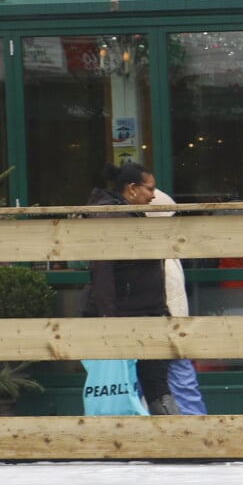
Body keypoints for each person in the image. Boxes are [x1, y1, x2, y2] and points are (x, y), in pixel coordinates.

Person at [82, 163, 180, 415]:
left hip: (139, 312)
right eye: (150, 188)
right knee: (148, 382)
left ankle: (164, 438)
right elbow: (102, 270)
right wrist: (108, 320)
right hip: (130, 314)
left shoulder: (125, 214)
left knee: (148, 381)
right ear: (132, 189)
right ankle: (171, 439)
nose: (154, 195)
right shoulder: (114, 217)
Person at [147, 188, 208, 415]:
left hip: (171, 326)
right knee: (181, 384)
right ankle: (196, 430)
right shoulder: (157, 253)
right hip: (164, 325)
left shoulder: (167, 251)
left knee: (180, 383)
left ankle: (195, 429)